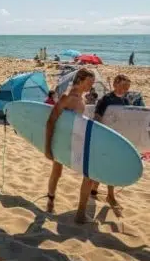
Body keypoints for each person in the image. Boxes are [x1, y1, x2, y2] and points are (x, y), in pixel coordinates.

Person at [45, 68, 95, 223]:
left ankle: (80, 213)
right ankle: (51, 200)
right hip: (63, 142)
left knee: (89, 175)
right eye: (89, 83)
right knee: (57, 172)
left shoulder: (83, 99)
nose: (91, 86)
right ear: (80, 80)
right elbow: (51, 120)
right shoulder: (67, 98)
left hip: (76, 141)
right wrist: (47, 147)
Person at [91, 74, 131, 209]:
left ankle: (95, 190)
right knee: (105, 164)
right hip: (105, 136)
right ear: (115, 84)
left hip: (118, 138)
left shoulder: (126, 101)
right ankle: (109, 195)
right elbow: (96, 117)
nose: (124, 89)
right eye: (122, 86)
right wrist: (101, 134)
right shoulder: (106, 99)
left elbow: (128, 121)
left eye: (127, 87)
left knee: (109, 165)